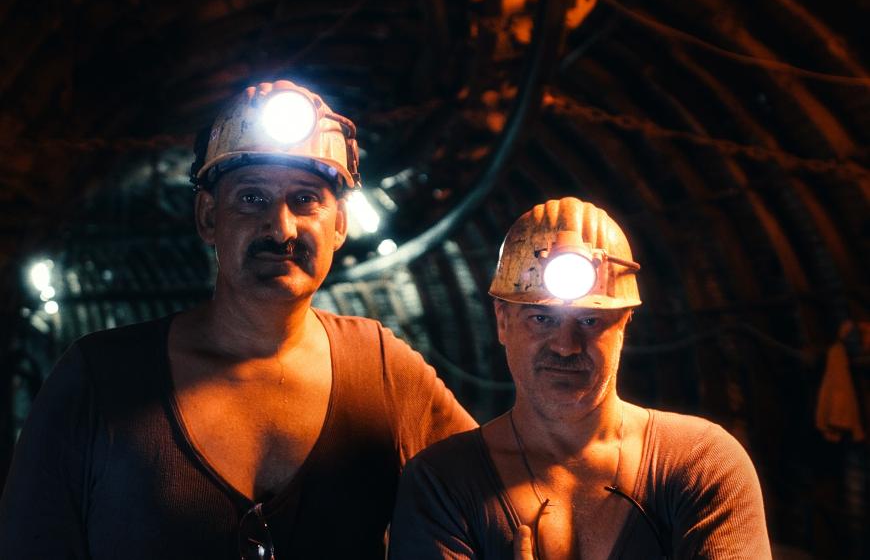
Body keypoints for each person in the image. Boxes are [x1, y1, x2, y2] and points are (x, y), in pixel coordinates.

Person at [0, 80, 475, 559]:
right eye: (252, 198)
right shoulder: (97, 380)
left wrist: (536, 329)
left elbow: (496, 486)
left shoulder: (383, 370)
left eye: (306, 199)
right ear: (208, 217)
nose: (281, 228)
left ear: (340, 226)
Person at [389, 197, 771, 559]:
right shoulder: (443, 483)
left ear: (624, 323)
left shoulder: (701, 464)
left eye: (591, 321)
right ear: (502, 321)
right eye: (541, 319)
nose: (566, 346)